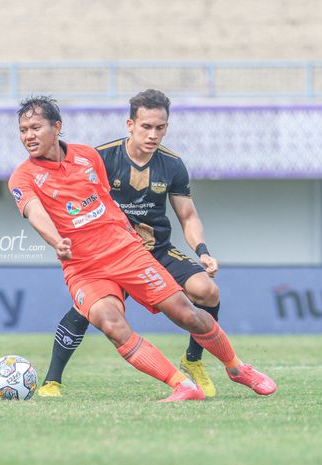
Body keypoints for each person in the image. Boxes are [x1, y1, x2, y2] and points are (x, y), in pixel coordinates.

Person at [8, 96, 276, 402]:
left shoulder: (87, 157)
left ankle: (237, 367)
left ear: (57, 127)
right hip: (84, 267)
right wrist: (57, 240)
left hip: (127, 252)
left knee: (185, 312)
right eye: (23, 129)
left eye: (35, 127)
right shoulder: (23, 176)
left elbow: (106, 201)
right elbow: (34, 212)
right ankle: (181, 385)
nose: (28, 136)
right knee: (110, 324)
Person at [38, 89, 224, 398]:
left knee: (207, 291)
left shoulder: (172, 165)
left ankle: (192, 361)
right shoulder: (100, 158)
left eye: (160, 127)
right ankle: (51, 381)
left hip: (157, 250)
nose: (153, 135)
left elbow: (188, 215)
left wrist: (202, 251)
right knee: (89, 309)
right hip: (112, 251)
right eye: (146, 127)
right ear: (130, 125)